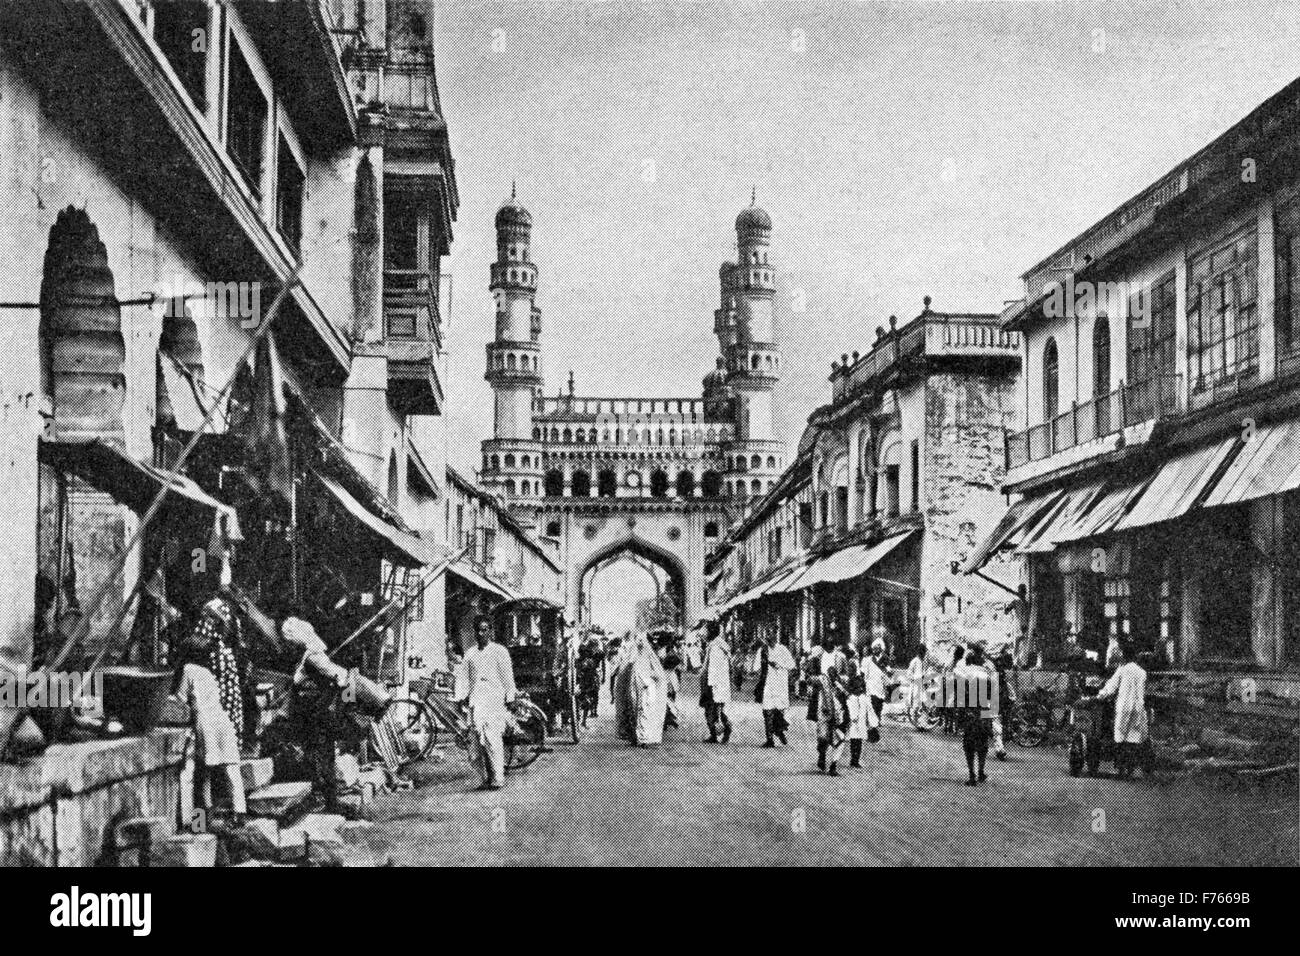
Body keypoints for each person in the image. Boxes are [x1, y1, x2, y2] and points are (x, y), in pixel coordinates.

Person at [172, 633, 247, 819]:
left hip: (205, 726)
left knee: (200, 776)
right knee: (231, 770)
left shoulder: (188, 669)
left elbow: (180, 699)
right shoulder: (207, 673)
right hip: (222, 722)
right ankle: (239, 814)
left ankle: (197, 823)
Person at [454, 617, 518, 790]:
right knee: (476, 744)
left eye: (484, 630)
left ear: (490, 631)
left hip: (494, 700)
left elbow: (507, 677)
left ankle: (497, 777)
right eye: (478, 630)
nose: (481, 634)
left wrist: (510, 697)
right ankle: (484, 778)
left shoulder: (499, 651)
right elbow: (463, 678)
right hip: (476, 702)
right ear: (474, 632)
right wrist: (461, 696)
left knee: (492, 739)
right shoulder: (470, 653)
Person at [1094, 646, 1149, 779]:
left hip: (1123, 706)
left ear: (1124, 656)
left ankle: (1120, 766)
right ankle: (1130, 766)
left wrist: (1100, 695)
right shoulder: (1142, 672)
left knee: (1120, 734)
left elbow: (1111, 687)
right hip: (1138, 708)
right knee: (1133, 735)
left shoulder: (1122, 670)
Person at [957, 644, 995, 785]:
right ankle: (981, 772)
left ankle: (972, 775)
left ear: (969, 662)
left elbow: (960, 697)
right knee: (983, 744)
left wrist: (960, 718)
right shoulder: (987, 673)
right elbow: (992, 697)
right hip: (984, 712)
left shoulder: (964, 673)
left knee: (969, 745)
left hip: (970, 714)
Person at [755, 633, 795, 746]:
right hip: (768, 684)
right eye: (768, 637)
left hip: (780, 685)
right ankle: (770, 739)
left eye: (772, 636)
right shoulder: (763, 650)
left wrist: (779, 664)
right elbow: (755, 667)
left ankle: (779, 730)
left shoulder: (783, 649)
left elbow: (791, 665)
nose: (770, 639)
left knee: (779, 710)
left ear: (776, 637)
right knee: (767, 711)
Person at [629, 634, 668, 746]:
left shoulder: (649, 655)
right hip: (636, 688)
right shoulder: (634, 655)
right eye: (638, 641)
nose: (640, 643)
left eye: (642, 641)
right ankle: (637, 737)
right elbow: (630, 665)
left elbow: (658, 674)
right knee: (635, 711)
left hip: (647, 688)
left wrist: (648, 677)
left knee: (644, 711)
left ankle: (644, 738)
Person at [700, 622, 732, 743]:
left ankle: (716, 733)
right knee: (718, 710)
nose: (704, 634)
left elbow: (713, 668)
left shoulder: (715, 647)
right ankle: (721, 731)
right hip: (719, 683)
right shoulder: (720, 644)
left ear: (711, 632)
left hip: (713, 684)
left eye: (706, 631)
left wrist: (711, 685)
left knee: (711, 709)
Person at [817, 661, 849, 775]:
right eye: (830, 675)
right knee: (823, 739)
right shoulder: (823, 689)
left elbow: (848, 699)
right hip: (825, 718)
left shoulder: (841, 687)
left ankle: (833, 765)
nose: (832, 678)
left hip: (838, 719)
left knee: (840, 741)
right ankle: (822, 756)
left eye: (834, 676)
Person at [864, 639, 890, 743]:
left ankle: (875, 723)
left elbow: (888, 670)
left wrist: (887, 671)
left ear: (881, 649)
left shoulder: (885, 658)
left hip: (881, 686)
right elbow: (866, 673)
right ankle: (872, 730)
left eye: (877, 648)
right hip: (871, 686)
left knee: (879, 706)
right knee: (873, 706)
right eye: (874, 648)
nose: (875, 650)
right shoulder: (869, 660)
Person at [845, 669, 873, 767]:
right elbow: (849, 709)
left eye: (861, 687)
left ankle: (856, 760)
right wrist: (852, 717)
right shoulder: (851, 698)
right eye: (857, 687)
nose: (860, 690)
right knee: (853, 741)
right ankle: (853, 759)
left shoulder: (864, 698)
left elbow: (869, 711)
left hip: (861, 723)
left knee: (859, 741)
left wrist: (871, 723)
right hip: (853, 723)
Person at [576, 639, 603, 725]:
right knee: (586, 699)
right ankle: (582, 719)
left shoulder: (595, 655)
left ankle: (585, 718)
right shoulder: (585, 656)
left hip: (590, 679)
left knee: (589, 698)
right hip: (586, 680)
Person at [905, 647, 927, 722]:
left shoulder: (922, 662)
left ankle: (923, 717)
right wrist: (916, 677)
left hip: (920, 684)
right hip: (915, 685)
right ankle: (915, 718)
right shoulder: (914, 661)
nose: (924, 655)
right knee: (916, 701)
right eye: (923, 653)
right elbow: (908, 674)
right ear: (920, 653)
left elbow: (923, 673)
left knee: (923, 700)